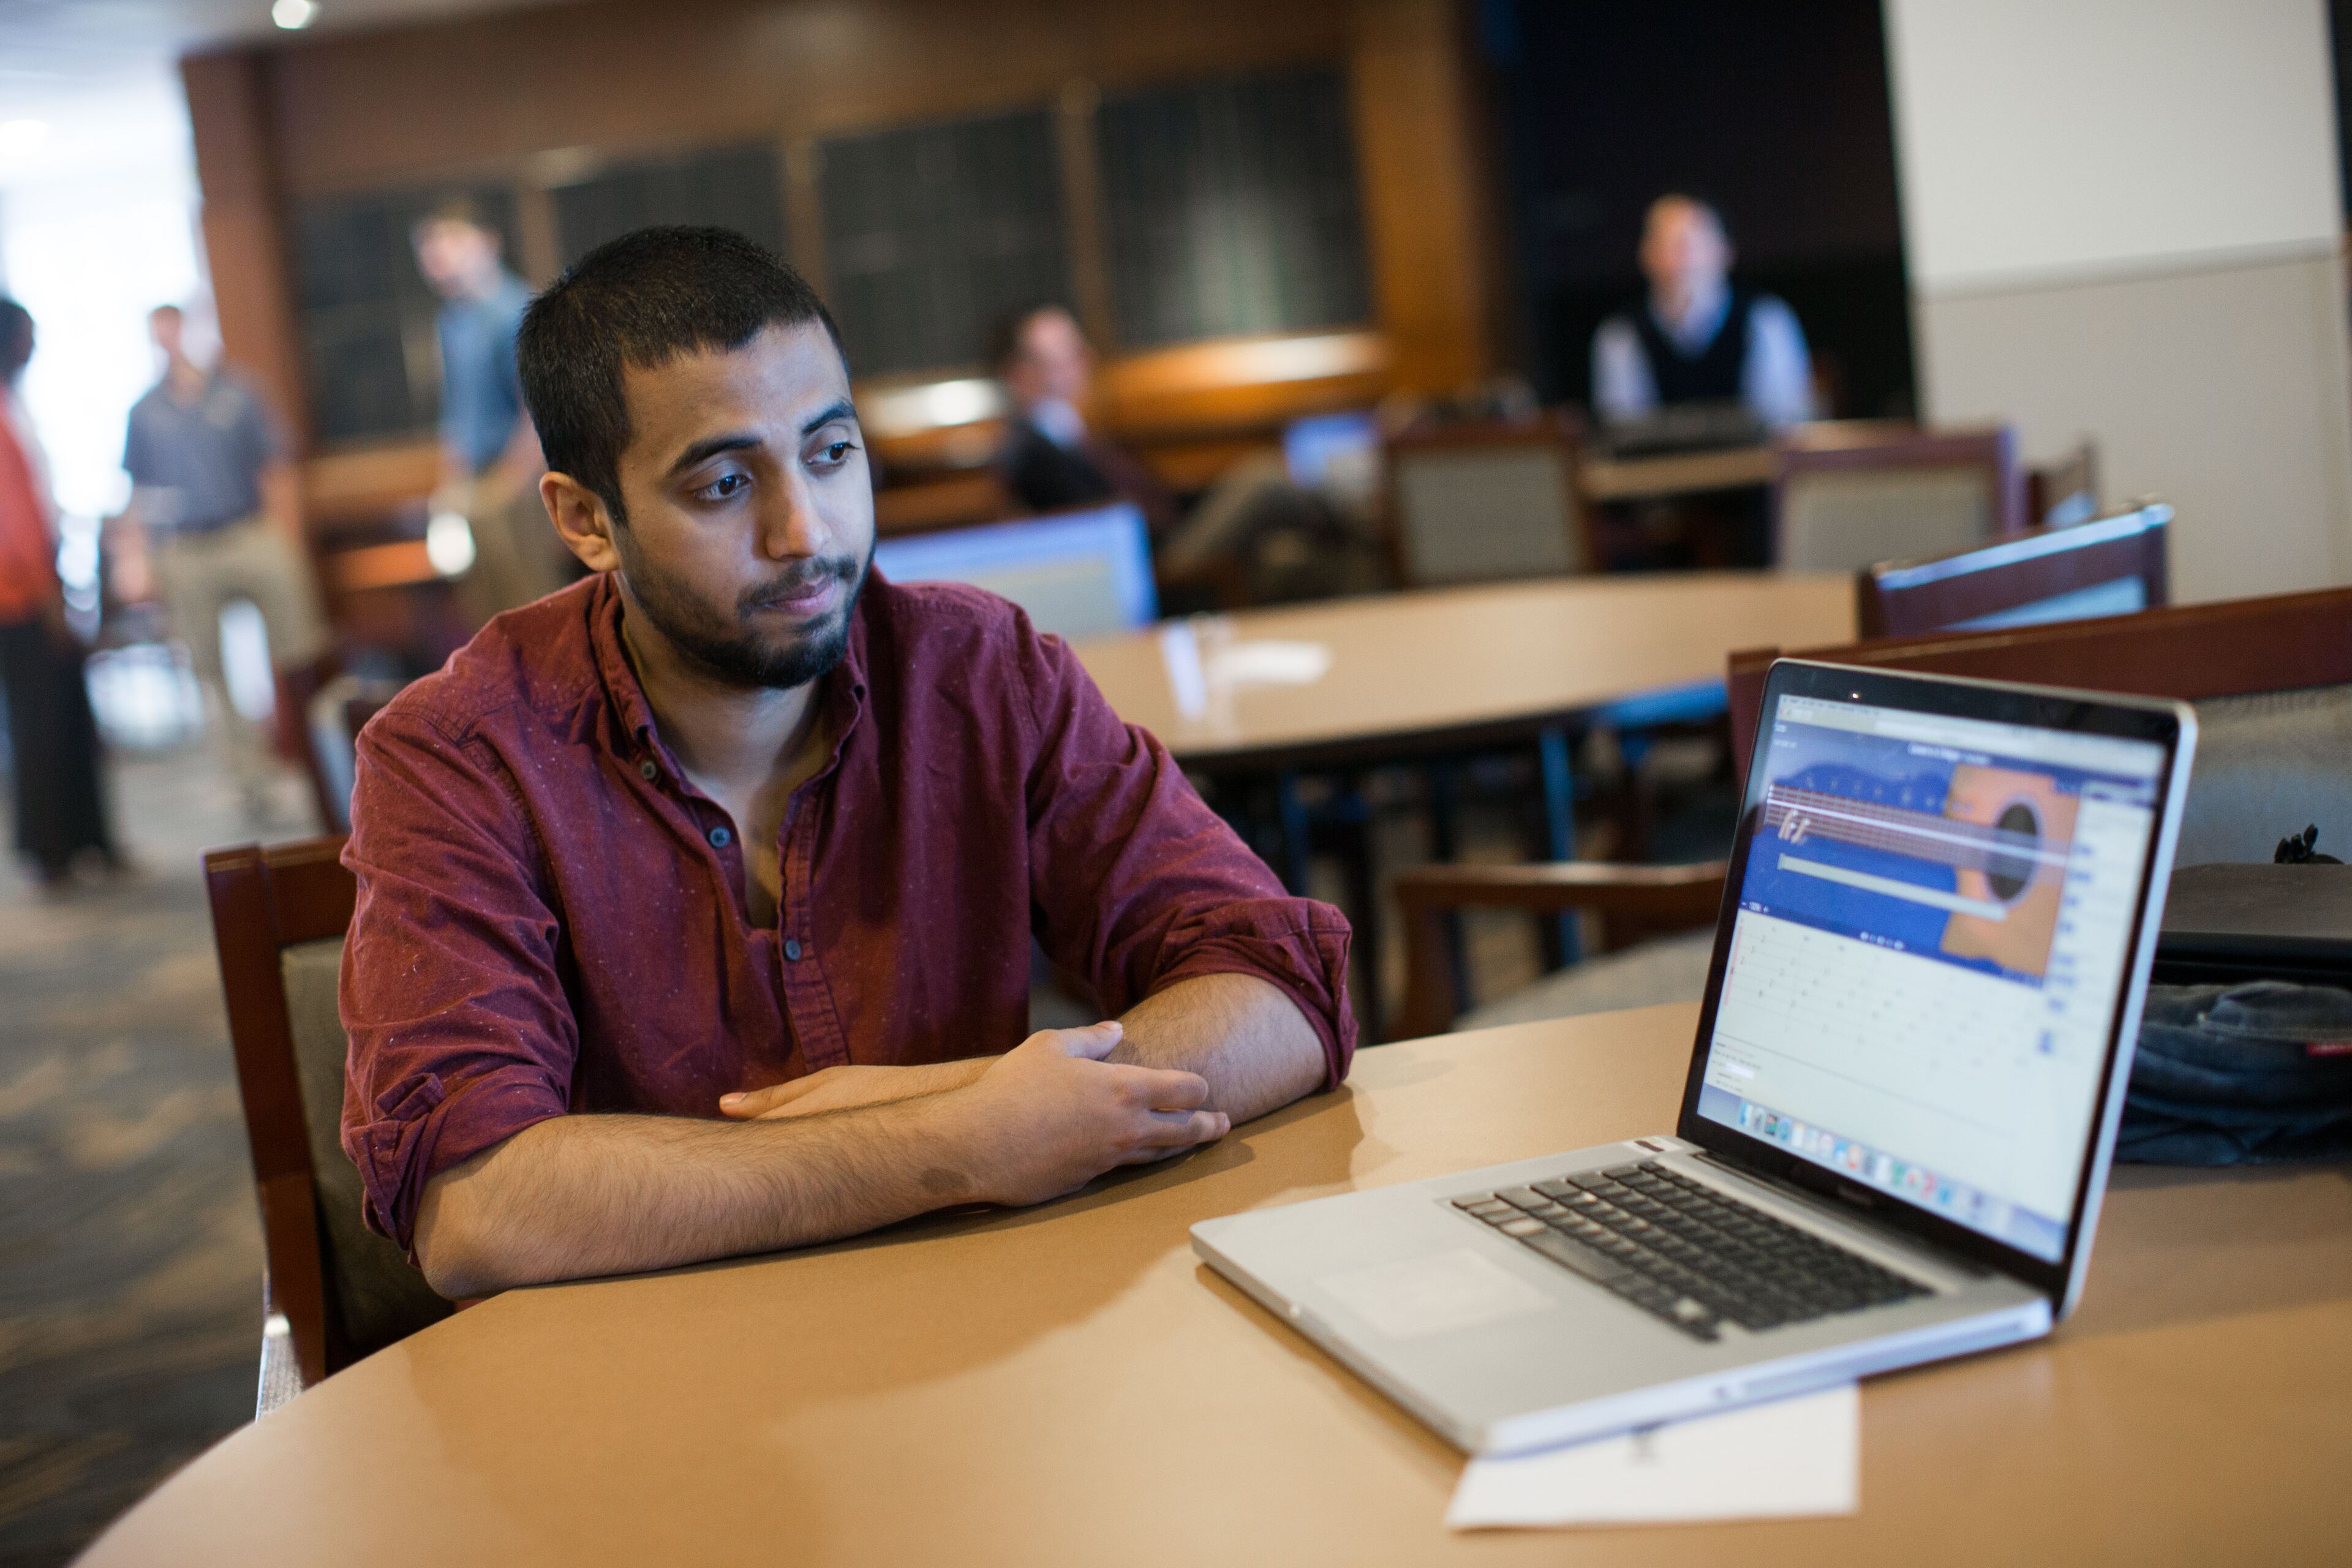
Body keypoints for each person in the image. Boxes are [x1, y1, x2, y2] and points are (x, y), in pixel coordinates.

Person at [339, 228, 1355, 1299]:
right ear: (587, 520)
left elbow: (1282, 992)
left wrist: (977, 1103)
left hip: (988, 1337)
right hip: (656, 1373)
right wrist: (955, 1139)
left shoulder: (983, 672)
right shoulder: (457, 756)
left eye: (830, 455)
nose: (805, 532)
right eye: (725, 485)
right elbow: (479, 1208)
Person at [990, 304, 1359, 600]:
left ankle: (1351, 530)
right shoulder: (1028, 448)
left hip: (1175, 534)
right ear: (1020, 373)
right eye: (1064, 356)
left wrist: (1209, 498)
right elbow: (1096, 523)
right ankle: (1357, 521)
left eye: (1078, 351)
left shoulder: (1069, 427)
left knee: (1290, 550)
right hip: (1157, 564)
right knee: (1262, 478)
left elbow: (1154, 494)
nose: (1084, 361)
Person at [122, 304, 328, 823]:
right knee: (210, 669)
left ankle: (318, 758)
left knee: (301, 648)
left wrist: (286, 538)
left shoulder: (239, 392)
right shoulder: (145, 412)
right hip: (186, 546)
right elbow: (139, 492)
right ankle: (249, 779)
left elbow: (276, 466)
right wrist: (135, 559)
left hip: (247, 530)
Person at [0, 300, 119, 888]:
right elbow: (14, 525)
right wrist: (51, 600)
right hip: (19, 597)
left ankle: (86, 840)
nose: (36, 346)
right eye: (28, 335)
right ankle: (51, 850)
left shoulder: (14, 404)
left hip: (36, 586)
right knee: (40, 721)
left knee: (66, 712)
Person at [411, 198, 569, 616]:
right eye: (430, 248)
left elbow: (539, 409)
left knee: (531, 600)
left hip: (515, 481)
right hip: (472, 482)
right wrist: (451, 482)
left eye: (453, 242)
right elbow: (458, 410)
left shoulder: (517, 312)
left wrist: (510, 484)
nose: (440, 257)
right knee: (484, 606)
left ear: (488, 243)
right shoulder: (452, 321)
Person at [1589, 195, 1814, 430]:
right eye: (1667, 243)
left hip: (1754, 454)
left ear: (1726, 251)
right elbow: (1622, 427)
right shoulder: (1620, 334)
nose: (1683, 257)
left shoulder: (1767, 319)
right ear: (1646, 255)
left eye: (1694, 241)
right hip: (1660, 456)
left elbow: (1787, 420)